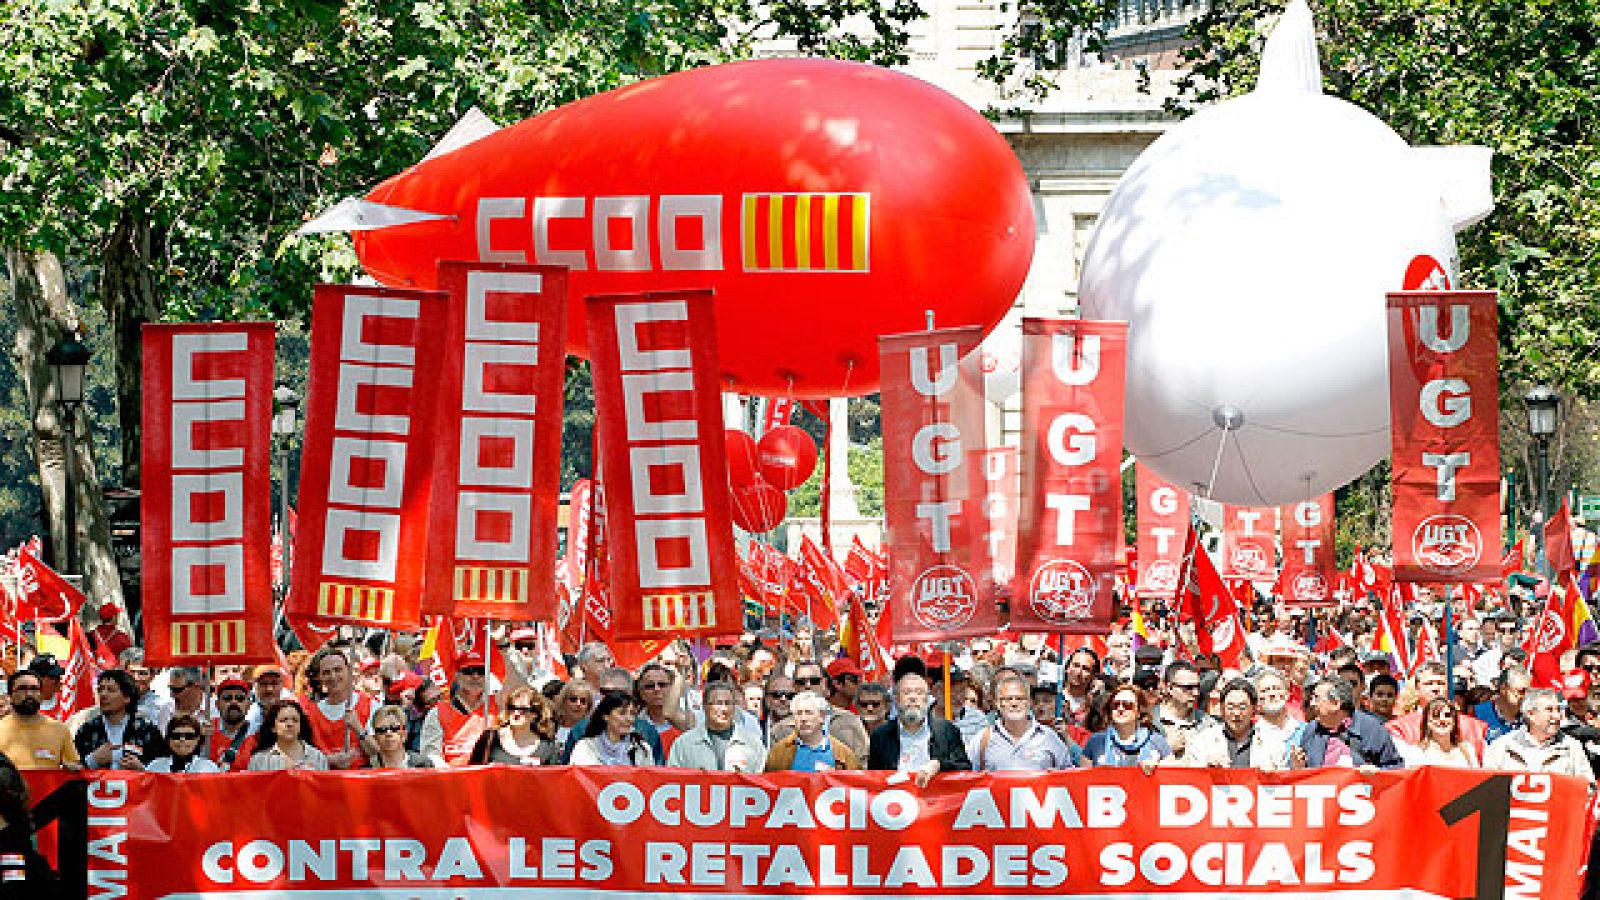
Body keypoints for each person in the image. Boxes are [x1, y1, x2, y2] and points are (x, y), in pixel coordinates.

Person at [867, 673, 971, 785]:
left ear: (927, 699)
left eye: (919, 692)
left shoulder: (947, 731)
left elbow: (965, 770)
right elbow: (873, 781)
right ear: (896, 699)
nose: (913, 698)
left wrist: (939, 765)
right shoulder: (880, 736)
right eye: (907, 693)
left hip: (935, 800)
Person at [968, 674, 1080, 771]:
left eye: (1020, 698)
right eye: (1007, 699)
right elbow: (968, 779)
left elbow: (1067, 777)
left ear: (1029, 702)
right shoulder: (982, 740)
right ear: (997, 703)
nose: (1014, 704)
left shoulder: (1049, 738)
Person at [1483, 688, 1595, 780]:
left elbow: (1588, 789)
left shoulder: (1572, 748)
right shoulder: (1501, 747)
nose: (1557, 716)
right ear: (1531, 714)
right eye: (1549, 710)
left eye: (1558, 710)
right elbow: (1486, 788)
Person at [1293, 677, 1403, 770]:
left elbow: (1395, 768)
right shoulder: (1311, 730)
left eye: (1317, 698)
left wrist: (1375, 774)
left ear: (1336, 704)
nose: (1312, 704)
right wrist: (1297, 767)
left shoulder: (1371, 729)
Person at [770, 661, 869, 761]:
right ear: (794, 686)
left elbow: (863, 761)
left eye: (814, 681)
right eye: (801, 682)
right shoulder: (780, 730)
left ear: (824, 684)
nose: (808, 686)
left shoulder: (847, 720)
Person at [73, 669, 166, 770]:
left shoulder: (146, 730)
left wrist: (142, 769)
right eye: (100, 690)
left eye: (111, 690)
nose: (103, 695)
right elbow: (72, 770)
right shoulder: (87, 730)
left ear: (127, 697)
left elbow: (162, 770)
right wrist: (92, 760)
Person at [301, 648, 377, 769]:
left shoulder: (370, 705)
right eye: (326, 672)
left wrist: (358, 728)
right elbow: (300, 756)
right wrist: (329, 760)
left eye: (338, 670)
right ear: (318, 677)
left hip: (361, 779)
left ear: (348, 670)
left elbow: (378, 752)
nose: (333, 676)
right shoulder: (309, 713)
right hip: (326, 780)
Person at [1387, 662, 1486, 752]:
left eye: (1441, 683)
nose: (1435, 689)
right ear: (1417, 688)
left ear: (1448, 688)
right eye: (1428, 684)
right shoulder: (1399, 729)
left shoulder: (1475, 728)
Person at [667, 682, 766, 772]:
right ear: (704, 706)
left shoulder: (753, 744)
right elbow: (672, 781)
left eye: (728, 703)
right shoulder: (684, 744)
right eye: (718, 703)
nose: (724, 709)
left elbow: (763, 780)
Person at [1192, 679, 1287, 770]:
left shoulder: (1273, 741)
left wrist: (1273, 774)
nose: (1236, 713)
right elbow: (1192, 778)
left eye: (1242, 707)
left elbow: (1285, 779)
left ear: (1254, 708)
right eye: (1230, 707)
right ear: (1222, 709)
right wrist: (1206, 768)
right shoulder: (1204, 740)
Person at [421, 654, 496, 768]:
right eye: (468, 671)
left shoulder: (497, 708)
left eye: (481, 671)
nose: (475, 676)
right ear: (457, 676)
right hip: (451, 780)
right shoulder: (437, 713)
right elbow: (431, 755)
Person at [766, 691, 863, 771]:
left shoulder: (843, 753)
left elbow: (854, 786)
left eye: (809, 713)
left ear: (822, 717)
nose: (803, 718)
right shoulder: (779, 752)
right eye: (799, 713)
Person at [0, 671, 78, 770]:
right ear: (10, 696)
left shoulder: (60, 730)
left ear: (41, 695)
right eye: (22, 689)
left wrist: (74, 768)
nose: (29, 694)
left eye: (34, 689)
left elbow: (74, 768)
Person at [1151, 660, 1222, 767]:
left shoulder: (1208, 724)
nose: (1195, 693)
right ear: (1169, 688)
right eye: (1188, 688)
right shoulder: (1148, 722)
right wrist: (1166, 747)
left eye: (1197, 687)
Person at [1083, 684, 1170, 771]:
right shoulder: (1095, 742)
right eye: (1116, 705)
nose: (1120, 709)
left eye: (1127, 705)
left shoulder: (1157, 742)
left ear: (1139, 711)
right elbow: (1082, 779)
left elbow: (1171, 777)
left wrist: (1157, 769)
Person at [469, 687, 559, 766]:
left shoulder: (547, 746)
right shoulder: (490, 738)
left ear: (535, 714)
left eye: (523, 710)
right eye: (512, 708)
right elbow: (473, 773)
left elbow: (552, 781)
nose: (516, 713)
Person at [569, 693, 653, 767]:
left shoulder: (642, 748)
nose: (629, 719)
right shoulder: (585, 747)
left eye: (632, 714)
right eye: (622, 713)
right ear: (606, 716)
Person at [247, 700, 330, 771]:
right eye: (283, 720)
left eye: (295, 720)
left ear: (301, 726)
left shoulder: (318, 757)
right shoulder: (258, 761)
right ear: (273, 728)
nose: (290, 724)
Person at [1398, 698, 1479, 768]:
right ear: (1427, 722)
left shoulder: (1468, 749)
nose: (1442, 720)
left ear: (1454, 721)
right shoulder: (1417, 753)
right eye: (1436, 716)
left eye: (1447, 715)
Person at [206, 677, 257, 771]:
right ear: (217, 704)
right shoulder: (206, 731)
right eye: (227, 698)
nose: (234, 702)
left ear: (249, 705)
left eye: (240, 698)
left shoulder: (258, 734)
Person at [1472, 665, 1531, 744]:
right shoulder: (1478, 713)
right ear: (1503, 688)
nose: (1525, 696)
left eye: (1528, 691)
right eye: (1521, 691)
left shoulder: (1530, 717)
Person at [146, 715, 222, 773]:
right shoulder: (154, 766)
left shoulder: (209, 768)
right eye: (176, 736)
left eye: (189, 736)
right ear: (168, 739)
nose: (182, 739)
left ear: (198, 739)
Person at [368, 705, 433, 769]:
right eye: (382, 730)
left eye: (395, 728)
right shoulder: (368, 769)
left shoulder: (423, 765)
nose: (388, 733)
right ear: (375, 737)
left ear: (404, 734)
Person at [554, 680, 597, 744]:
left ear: (588, 707)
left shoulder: (590, 733)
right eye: (573, 699)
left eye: (583, 701)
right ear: (563, 702)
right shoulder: (552, 726)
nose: (578, 704)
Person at [761, 674, 797, 742]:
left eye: (790, 696)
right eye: (777, 695)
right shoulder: (756, 726)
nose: (783, 699)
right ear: (767, 699)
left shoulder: (804, 729)